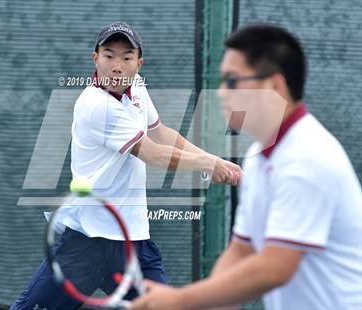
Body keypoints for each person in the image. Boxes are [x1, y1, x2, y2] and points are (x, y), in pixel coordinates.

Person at [11, 21, 241, 310]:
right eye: (108, 55)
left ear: (139, 64)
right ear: (95, 58)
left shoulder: (137, 88)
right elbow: (154, 154)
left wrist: (216, 161)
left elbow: (161, 133)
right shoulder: (96, 106)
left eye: (126, 57)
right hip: (87, 242)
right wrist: (208, 162)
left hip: (132, 241)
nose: (116, 66)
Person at [130, 24, 362, 310]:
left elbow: (273, 268)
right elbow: (242, 251)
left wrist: (180, 301)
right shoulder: (261, 156)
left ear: (274, 86)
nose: (222, 93)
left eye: (232, 81)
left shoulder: (308, 158)